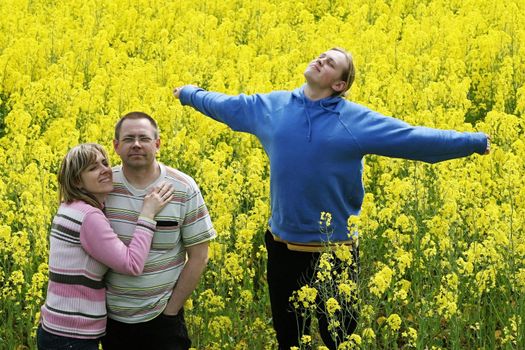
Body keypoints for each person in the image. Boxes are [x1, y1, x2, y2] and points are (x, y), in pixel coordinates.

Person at [172, 47, 491, 349]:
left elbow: (413, 139)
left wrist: (472, 142)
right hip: (282, 249)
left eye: (331, 62)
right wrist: (190, 95)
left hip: (336, 254)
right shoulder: (272, 108)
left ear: (339, 84)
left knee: (340, 339)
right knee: (289, 339)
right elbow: (226, 106)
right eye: (321, 56)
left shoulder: (355, 121)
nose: (321, 60)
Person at [37, 143, 173, 350]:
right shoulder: (88, 217)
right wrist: (148, 213)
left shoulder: (70, 207)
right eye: (93, 168)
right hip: (72, 336)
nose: (105, 170)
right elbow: (132, 264)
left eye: (105, 163)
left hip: (56, 329)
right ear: (77, 181)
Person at [100, 112, 216, 350]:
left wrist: (171, 310)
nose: (136, 145)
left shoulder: (183, 187)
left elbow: (199, 256)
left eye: (143, 138)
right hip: (109, 318)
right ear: (116, 146)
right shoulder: (101, 187)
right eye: (128, 138)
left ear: (157, 143)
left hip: (163, 319)